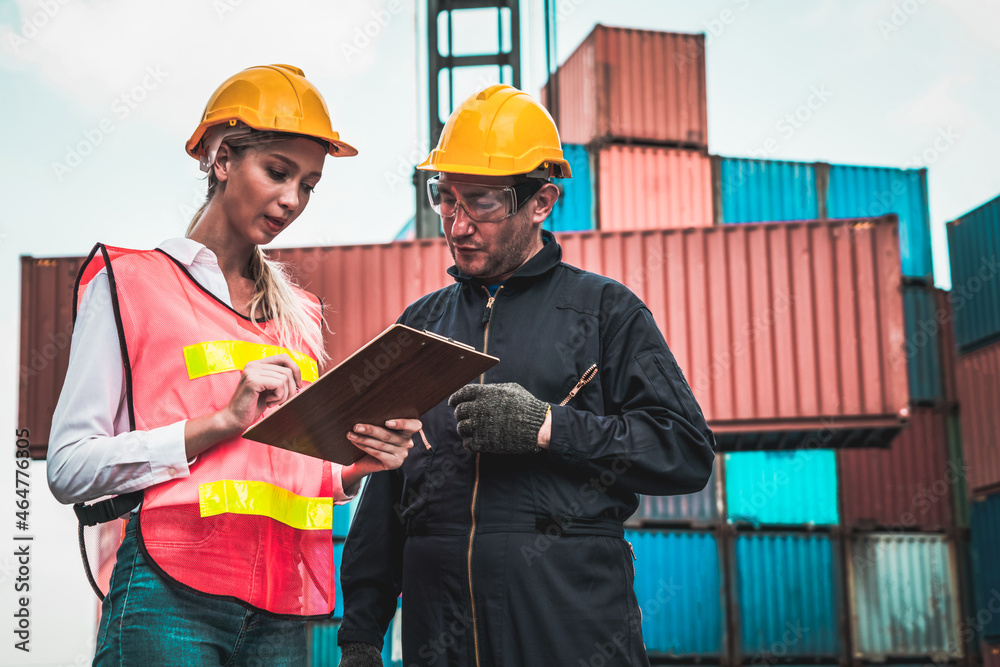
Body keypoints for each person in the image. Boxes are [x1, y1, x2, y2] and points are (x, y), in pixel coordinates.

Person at [46, 64, 420, 667]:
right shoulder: (131, 282)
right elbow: (67, 468)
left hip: (280, 608)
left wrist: (355, 469)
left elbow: (283, 473)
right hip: (168, 596)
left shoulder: (297, 315)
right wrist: (219, 422)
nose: (292, 200)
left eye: (308, 185)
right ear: (222, 158)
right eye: (277, 172)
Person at [336, 84, 716, 667]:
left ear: (541, 202)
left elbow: (686, 452)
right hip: (441, 642)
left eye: (481, 203)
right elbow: (388, 489)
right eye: (445, 198)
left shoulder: (606, 313)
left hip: (571, 634)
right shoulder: (422, 324)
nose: (457, 226)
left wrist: (547, 428)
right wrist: (361, 634)